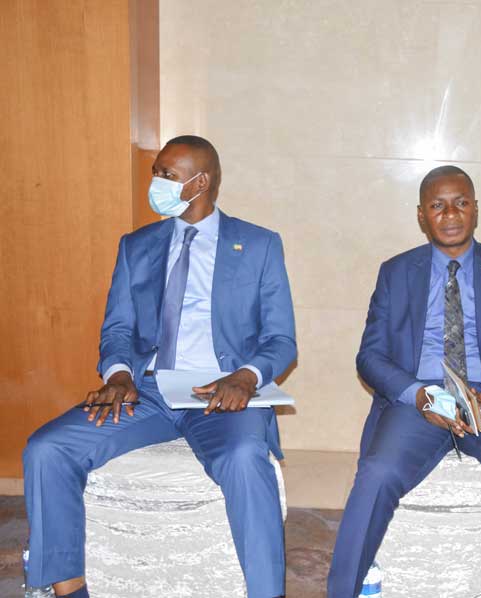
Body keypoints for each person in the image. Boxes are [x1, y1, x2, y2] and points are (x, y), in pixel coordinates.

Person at [22, 135, 296, 598]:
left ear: (200, 182)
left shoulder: (258, 245)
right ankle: (69, 588)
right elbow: (117, 329)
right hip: (146, 391)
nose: (156, 182)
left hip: (220, 392)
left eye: (167, 175)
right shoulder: (137, 245)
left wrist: (245, 377)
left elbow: (281, 340)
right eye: (156, 172)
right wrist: (119, 375)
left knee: (245, 459)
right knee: (47, 448)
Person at [327, 165, 481, 597]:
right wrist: (418, 394)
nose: (451, 214)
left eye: (461, 203)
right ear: (422, 215)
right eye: (438, 205)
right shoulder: (396, 272)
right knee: (377, 473)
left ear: (476, 209)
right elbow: (371, 356)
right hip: (417, 399)